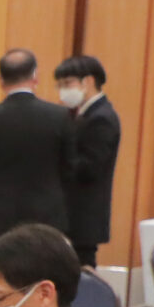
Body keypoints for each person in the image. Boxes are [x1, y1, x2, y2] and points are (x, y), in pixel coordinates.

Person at [0, 49, 73, 244]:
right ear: (35, 77)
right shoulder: (59, 116)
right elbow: (69, 169)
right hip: (46, 221)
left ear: (1, 81)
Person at [56, 54, 119, 268]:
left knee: (80, 271)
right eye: (59, 85)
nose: (62, 91)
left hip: (83, 216)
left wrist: (59, 159)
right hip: (74, 216)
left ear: (88, 81)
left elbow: (91, 167)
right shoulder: (81, 114)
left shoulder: (101, 118)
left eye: (67, 84)